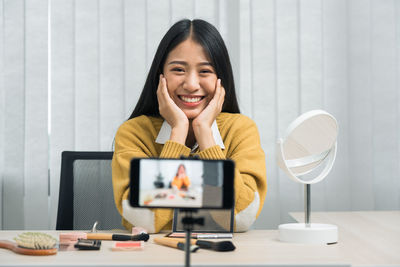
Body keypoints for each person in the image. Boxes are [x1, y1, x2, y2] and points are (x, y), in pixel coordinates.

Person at [112, 19, 267, 233]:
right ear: (161, 76)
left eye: (205, 71)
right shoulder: (134, 133)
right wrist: (178, 133)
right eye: (178, 69)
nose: (192, 84)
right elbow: (145, 221)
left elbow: (240, 218)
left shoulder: (241, 130)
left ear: (221, 79)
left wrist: (205, 134)